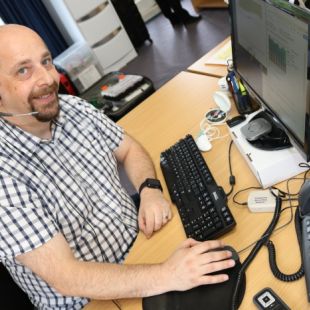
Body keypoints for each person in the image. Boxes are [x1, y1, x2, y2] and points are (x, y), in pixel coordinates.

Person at [0, 24, 235, 309]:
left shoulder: (73, 108)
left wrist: (149, 190)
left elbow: (129, 149)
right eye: (23, 71)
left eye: (46, 61)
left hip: (141, 251)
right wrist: (168, 274)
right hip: (93, 300)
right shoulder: (5, 174)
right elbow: (67, 277)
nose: (47, 79)